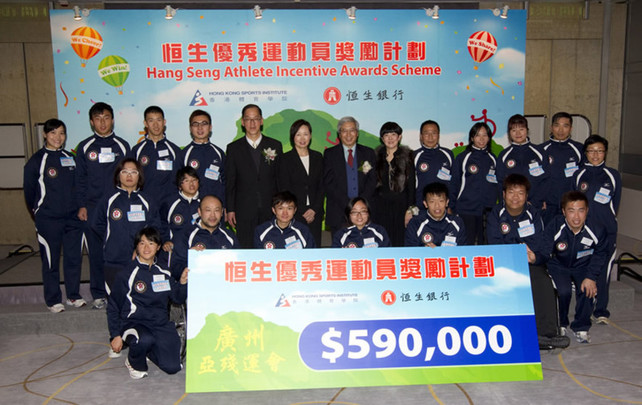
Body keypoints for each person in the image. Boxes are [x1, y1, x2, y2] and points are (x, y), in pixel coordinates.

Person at [486, 174, 569, 350]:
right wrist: (516, 254)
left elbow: (541, 245)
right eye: (511, 192)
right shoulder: (495, 214)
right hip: (503, 265)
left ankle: (547, 335)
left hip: (529, 263)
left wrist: (535, 258)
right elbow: (494, 245)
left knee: (543, 281)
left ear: (526, 196)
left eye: (520, 193)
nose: (515, 197)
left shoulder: (533, 214)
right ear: (504, 194)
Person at [107, 227, 188, 379]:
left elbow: (177, 298)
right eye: (142, 243)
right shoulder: (127, 274)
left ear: (158, 247)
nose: (146, 248)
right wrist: (115, 335)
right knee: (143, 339)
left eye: (151, 243)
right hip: (134, 323)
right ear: (136, 246)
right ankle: (134, 361)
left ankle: (148, 351)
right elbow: (113, 306)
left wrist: (183, 283)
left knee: (173, 367)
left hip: (159, 324)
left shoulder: (164, 272)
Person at [23, 118, 85, 312]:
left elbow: (78, 187)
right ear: (44, 135)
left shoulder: (70, 157)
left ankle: (73, 296)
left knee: (73, 258)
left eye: (61, 133)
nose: (57, 137)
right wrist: (39, 212)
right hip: (48, 220)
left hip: (73, 219)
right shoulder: (37, 161)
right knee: (50, 260)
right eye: (53, 133)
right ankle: (53, 299)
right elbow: (29, 191)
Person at [75, 102, 130, 309]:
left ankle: (122, 290)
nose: (102, 122)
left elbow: (131, 176)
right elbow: (79, 180)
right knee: (96, 252)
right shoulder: (85, 147)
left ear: (112, 119)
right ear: (91, 122)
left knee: (120, 251)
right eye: (98, 119)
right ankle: (98, 294)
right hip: (93, 209)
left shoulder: (123, 146)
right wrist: (82, 205)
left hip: (119, 208)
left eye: (106, 117)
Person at [544, 191, 609, 343]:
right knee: (563, 291)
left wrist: (591, 276)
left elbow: (600, 254)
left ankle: (581, 326)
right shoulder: (555, 225)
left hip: (583, 266)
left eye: (581, 210)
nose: (576, 216)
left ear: (587, 211)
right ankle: (561, 324)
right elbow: (545, 249)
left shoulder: (597, 229)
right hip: (558, 264)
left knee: (588, 289)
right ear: (563, 211)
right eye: (571, 211)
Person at [91, 158, 160, 292]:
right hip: (114, 259)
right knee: (116, 302)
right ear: (118, 175)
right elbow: (96, 225)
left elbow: (155, 228)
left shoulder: (147, 201)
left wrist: (141, 248)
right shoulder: (108, 199)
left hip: (140, 260)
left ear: (139, 175)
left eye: (133, 172)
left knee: (139, 299)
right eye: (125, 172)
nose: (129, 176)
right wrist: (111, 241)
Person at [573, 135, 621, 325]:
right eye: (591, 151)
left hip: (606, 231)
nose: (595, 154)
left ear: (605, 153)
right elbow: (573, 203)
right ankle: (585, 307)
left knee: (604, 271)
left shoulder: (613, 175)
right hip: (583, 232)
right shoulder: (578, 174)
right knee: (585, 268)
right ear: (586, 153)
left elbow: (615, 204)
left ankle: (601, 310)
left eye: (600, 151)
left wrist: (606, 222)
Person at [225, 104, 283, 248]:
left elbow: (279, 179)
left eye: (256, 119)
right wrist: (230, 208)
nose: (252, 123)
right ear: (242, 122)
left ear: (261, 121)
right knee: (246, 247)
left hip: (270, 208)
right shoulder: (233, 148)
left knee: (271, 246)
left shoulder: (275, 145)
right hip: (244, 209)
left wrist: (280, 206)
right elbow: (230, 181)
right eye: (248, 119)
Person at [323, 116, 376, 235]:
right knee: (339, 251)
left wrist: (360, 206)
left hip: (364, 213)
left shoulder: (368, 153)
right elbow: (329, 183)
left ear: (357, 133)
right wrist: (349, 206)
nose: (348, 134)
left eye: (352, 130)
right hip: (338, 212)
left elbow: (372, 181)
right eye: (344, 131)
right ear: (339, 134)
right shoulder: (330, 154)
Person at [276, 119, 324, 247]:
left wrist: (314, 209)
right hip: (295, 213)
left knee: (314, 247)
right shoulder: (285, 159)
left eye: (306, 134)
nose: (302, 138)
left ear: (311, 136)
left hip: (315, 213)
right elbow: (285, 188)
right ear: (293, 137)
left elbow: (322, 186)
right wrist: (302, 210)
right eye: (298, 134)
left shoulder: (318, 157)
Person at [450, 122, 499, 245]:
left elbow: (498, 184)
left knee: (486, 245)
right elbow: (454, 183)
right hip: (466, 210)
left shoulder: (493, 158)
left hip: (488, 210)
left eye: (485, 135)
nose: (481, 139)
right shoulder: (463, 158)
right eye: (478, 135)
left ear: (489, 138)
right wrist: (451, 206)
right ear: (472, 138)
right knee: (467, 244)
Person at [170, 195, 239, 279]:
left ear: (222, 213)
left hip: (224, 285)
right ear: (199, 212)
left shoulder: (229, 236)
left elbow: (240, 262)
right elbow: (174, 268)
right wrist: (189, 260)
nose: (212, 215)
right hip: (196, 286)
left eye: (217, 210)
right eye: (208, 210)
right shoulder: (185, 235)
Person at [371, 122, 415, 247]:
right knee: (381, 240)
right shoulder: (374, 156)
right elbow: (365, 175)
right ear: (381, 138)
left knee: (399, 241)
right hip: (379, 207)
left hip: (401, 207)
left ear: (399, 137)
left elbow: (412, 186)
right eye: (386, 135)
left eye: (393, 134)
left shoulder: (408, 156)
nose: (390, 138)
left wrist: (410, 210)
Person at [496, 114, 549, 215]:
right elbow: (500, 183)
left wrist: (535, 201)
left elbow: (546, 180)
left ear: (527, 130)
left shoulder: (539, 152)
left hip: (535, 206)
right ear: (509, 133)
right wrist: (507, 203)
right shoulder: (504, 155)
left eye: (521, 129)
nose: (518, 133)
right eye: (513, 130)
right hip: (511, 207)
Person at [128, 106, 181, 201]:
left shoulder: (174, 150)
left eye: (159, 120)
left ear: (164, 122)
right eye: (151, 120)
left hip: (168, 204)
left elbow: (180, 180)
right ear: (145, 123)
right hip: (144, 203)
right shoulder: (137, 150)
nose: (156, 125)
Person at [541, 112, 584, 224]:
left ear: (571, 128)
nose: (560, 130)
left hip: (571, 204)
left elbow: (584, 177)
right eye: (557, 125)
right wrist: (540, 199)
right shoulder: (541, 149)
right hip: (548, 205)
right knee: (547, 236)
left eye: (565, 126)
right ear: (551, 127)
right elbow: (537, 179)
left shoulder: (579, 149)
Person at [179, 109, 226, 206]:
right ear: (190, 128)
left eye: (204, 124)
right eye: (195, 124)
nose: (200, 128)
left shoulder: (219, 153)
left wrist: (225, 206)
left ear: (210, 127)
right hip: (191, 207)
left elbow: (226, 182)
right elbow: (178, 184)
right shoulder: (184, 154)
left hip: (215, 208)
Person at [405, 182, 466, 247]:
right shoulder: (415, 223)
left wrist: (440, 252)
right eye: (432, 201)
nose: (437, 206)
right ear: (425, 204)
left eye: (441, 201)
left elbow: (463, 251)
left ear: (447, 202)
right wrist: (424, 251)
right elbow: (409, 251)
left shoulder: (457, 223)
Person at [159, 167, 201, 253]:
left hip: (199, 248)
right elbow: (162, 224)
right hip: (175, 250)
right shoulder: (169, 202)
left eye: (194, 180)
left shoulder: (205, 202)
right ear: (179, 186)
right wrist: (166, 240)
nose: (191, 184)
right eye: (187, 181)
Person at [413, 120, 454, 208]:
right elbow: (410, 185)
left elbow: (453, 183)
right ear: (421, 136)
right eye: (426, 133)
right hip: (421, 207)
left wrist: (450, 206)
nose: (430, 137)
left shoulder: (448, 154)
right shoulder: (414, 156)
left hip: (444, 207)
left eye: (434, 133)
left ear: (438, 135)